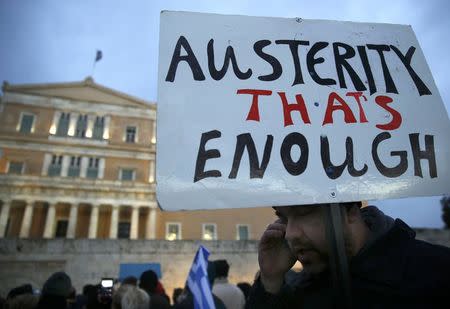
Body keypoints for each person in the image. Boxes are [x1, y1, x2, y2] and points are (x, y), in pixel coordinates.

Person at [246, 202, 450, 308]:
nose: (290, 234)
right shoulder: (299, 291)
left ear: (351, 212)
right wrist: (270, 281)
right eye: (283, 218)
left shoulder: (437, 273)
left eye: (304, 213)